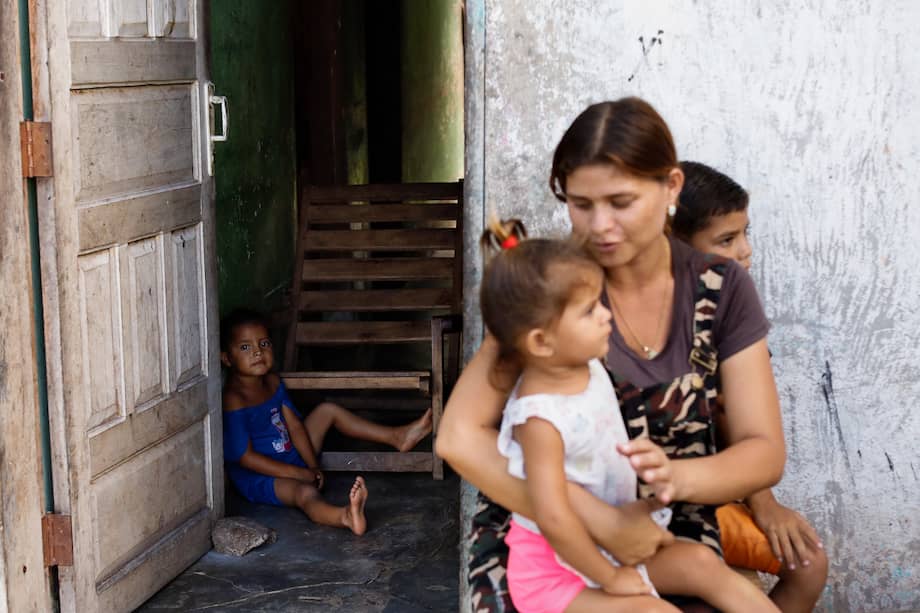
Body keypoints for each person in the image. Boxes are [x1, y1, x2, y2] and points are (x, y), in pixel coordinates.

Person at [437, 97, 787, 611]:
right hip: (542, 532)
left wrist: (675, 478)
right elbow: (459, 439)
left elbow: (764, 450)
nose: (600, 225)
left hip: (666, 521)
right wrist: (597, 520)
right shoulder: (550, 288)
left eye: (620, 202)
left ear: (671, 187)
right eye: (581, 204)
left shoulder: (720, 287)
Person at [480, 219, 778, 613]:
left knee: (701, 563)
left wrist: (651, 466)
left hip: (604, 543)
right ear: (541, 341)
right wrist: (611, 577)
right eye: (589, 312)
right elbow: (553, 517)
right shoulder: (538, 416)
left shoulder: (586, 367)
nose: (605, 315)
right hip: (557, 576)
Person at [674, 160, 829, 613]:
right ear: (674, 247)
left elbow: (741, 424)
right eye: (726, 240)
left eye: (744, 234)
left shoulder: (730, 315)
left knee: (808, 562)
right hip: (664, 505)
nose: (745, 252)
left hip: (718, 492)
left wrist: (764, 503)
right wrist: (763, 504)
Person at [220, 308, 433, 535]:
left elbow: (294, 426)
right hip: (262, 475)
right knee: (304, 494)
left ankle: (396, 437)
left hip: (289, 453)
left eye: (264, 344)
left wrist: (313, 467)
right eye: (245, 347)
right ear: (226, 358)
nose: (257, 352)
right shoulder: (234, 399)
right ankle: (345, 516)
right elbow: (246, 458)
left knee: (327, 411)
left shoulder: (271, 382)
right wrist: (299, 474)